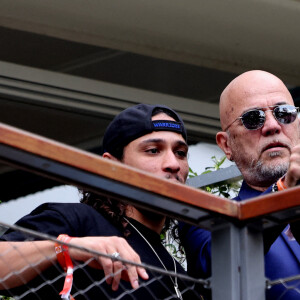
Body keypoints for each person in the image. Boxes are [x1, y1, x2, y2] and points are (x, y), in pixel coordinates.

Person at [0, 104, 201, 299]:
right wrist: (68, 247)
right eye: (153, 150)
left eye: (180, 153)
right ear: (112, 166)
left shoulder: (180, 274)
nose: (173, 164)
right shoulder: (79, 222)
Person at [180, 70, 300, 299]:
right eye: (253, 119)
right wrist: (283, 192)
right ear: (226, 145)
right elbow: (218, 265)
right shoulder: (206, 221)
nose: (273, 126)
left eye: (284, 113)